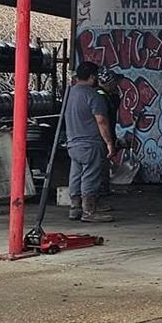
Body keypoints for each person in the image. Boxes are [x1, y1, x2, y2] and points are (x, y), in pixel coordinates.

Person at [63, 61, 118, 222]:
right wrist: (109, 142)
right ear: (93, 77)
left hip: (72, 142)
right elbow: (101, 121)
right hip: (90, 143)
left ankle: (75, 208)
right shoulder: (93, 95)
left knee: (75, 174)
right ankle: (89, 211)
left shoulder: (70, 94)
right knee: (90, 176)